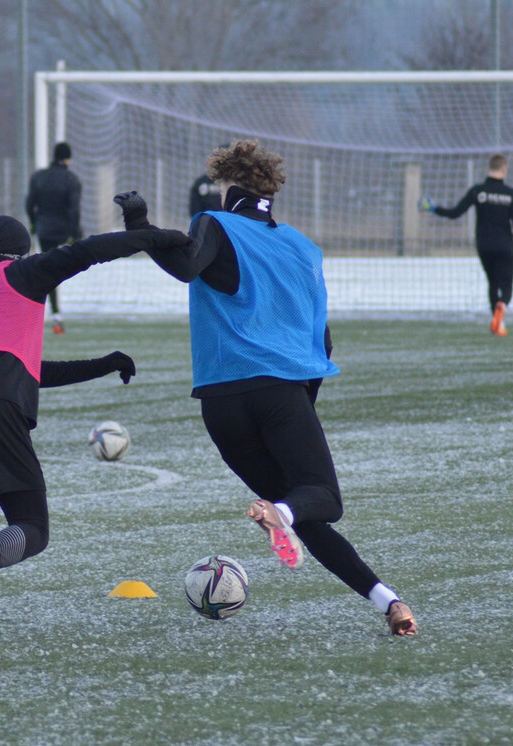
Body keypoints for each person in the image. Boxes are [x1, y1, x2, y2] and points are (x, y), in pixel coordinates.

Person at [145, 140, 418, 636]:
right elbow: (322, 342)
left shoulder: (212, 222)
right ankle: (281, 512)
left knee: (304, 515)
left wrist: (141, 231)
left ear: (228, 191)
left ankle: (389, 601)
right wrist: (299, 408)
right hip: (281, 393)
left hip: (221, 403)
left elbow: (186, 268)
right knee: (321, 501)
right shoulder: (302, 248)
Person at [0, 196, 187, 643]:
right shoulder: (24, 274)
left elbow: (28, 371)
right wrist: (160, 237)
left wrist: (103, 363)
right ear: (22, 253)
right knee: (33, 527)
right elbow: (89, 250)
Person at [419, 154, 513, 336]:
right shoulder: (510, 193)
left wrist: (433, 208)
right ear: (504, 169)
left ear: (488, 168)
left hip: (484, 245)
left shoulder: (478, 191)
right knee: (507, 284)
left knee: (492, 282)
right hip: (505, 244)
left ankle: (498, 324)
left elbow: (455, 213)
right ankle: (502, 306)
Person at [25, 141, 83, 334]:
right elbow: (74, 210)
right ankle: (56, 316)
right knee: (62, 269)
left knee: (49, 271)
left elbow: (29, 203)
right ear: (67, 159)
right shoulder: (72, 180)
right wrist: (75, 233)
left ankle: (54, 313)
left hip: (45, 230)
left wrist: (34, 223)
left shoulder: (39, 177)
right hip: (64, 232)